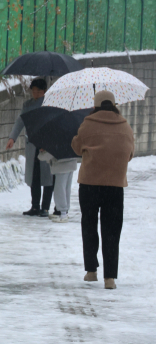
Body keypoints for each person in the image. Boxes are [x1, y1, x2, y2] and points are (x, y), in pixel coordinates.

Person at [71, 91, 134, 290]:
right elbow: (130, 153)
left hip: (89, 184)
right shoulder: (124, 126)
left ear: (96, 105)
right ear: (114, 104)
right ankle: (110, 278)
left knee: (89, 225)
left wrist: (77, 139)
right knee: (112, 230)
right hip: (115, 186)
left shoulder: (87, 123)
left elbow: (77, 148)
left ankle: (91, 271)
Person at [7, 78, 55, 217]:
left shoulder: (50, 104)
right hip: (32, 145)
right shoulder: (27, 105)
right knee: (34, 177)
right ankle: (35, 206)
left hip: (46, 146)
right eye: (33, 90)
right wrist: (12, 138)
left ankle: (45, 207)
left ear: (44, 91)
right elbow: (20, 121)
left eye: (38, 91)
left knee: (47, 177)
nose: (35, 93)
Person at [37, 150, 77, 222]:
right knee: (66, 189)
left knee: (59, 190)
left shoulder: (56, 141)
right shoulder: (69, 140)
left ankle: (63, 214)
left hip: (61, 166)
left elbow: (48, 154)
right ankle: (64, 211)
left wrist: (41, 153)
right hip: (71, 163)